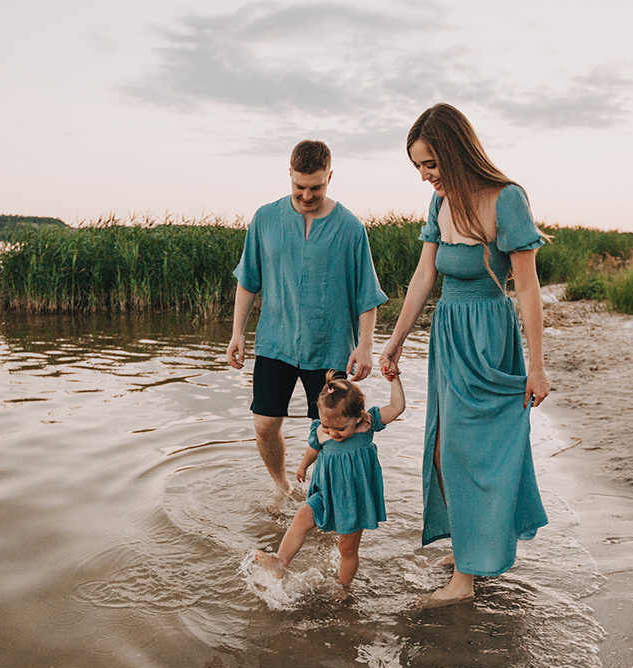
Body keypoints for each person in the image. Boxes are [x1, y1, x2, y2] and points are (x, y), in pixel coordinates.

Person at [378, 103, 551, 607]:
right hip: (447, 338)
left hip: (488, 339)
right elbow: (424, 276)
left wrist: (536, 366)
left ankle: (465, 579)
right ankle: (467, 553)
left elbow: (529, 289)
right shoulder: (439, 206)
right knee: (441, 448)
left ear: (456, 150)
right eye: (418, 167)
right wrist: (396, 337)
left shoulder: (507, 200)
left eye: (431, 164)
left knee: (470, 453)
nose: (426, 176)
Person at [226, 140, 388, 502]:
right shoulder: (265, 218)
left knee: (336, 432)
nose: (307, 194)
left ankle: (325, 501)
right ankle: (282, 487)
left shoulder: (350, 228)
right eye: (299, 186)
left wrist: (364, 347)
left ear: (330, 177)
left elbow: (367, 295)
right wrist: (237, 333)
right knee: (265, 425)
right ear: (289, 175)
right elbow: (248, 280)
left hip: (330, 347)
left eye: (316, 187)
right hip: (275, 342)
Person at [254, 369, 405, 588]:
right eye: (327, 426)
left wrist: (394, 380)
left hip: (354, 498)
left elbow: (397, 407)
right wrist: (303, 466)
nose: (332, 433)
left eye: (340, 428)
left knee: (347, 548)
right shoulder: (320, 430)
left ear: (358, 417)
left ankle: (343, 588)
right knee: (301, 517)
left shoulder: (368, 424)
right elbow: (313, 448)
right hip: (326, 492)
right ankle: (280, 561)